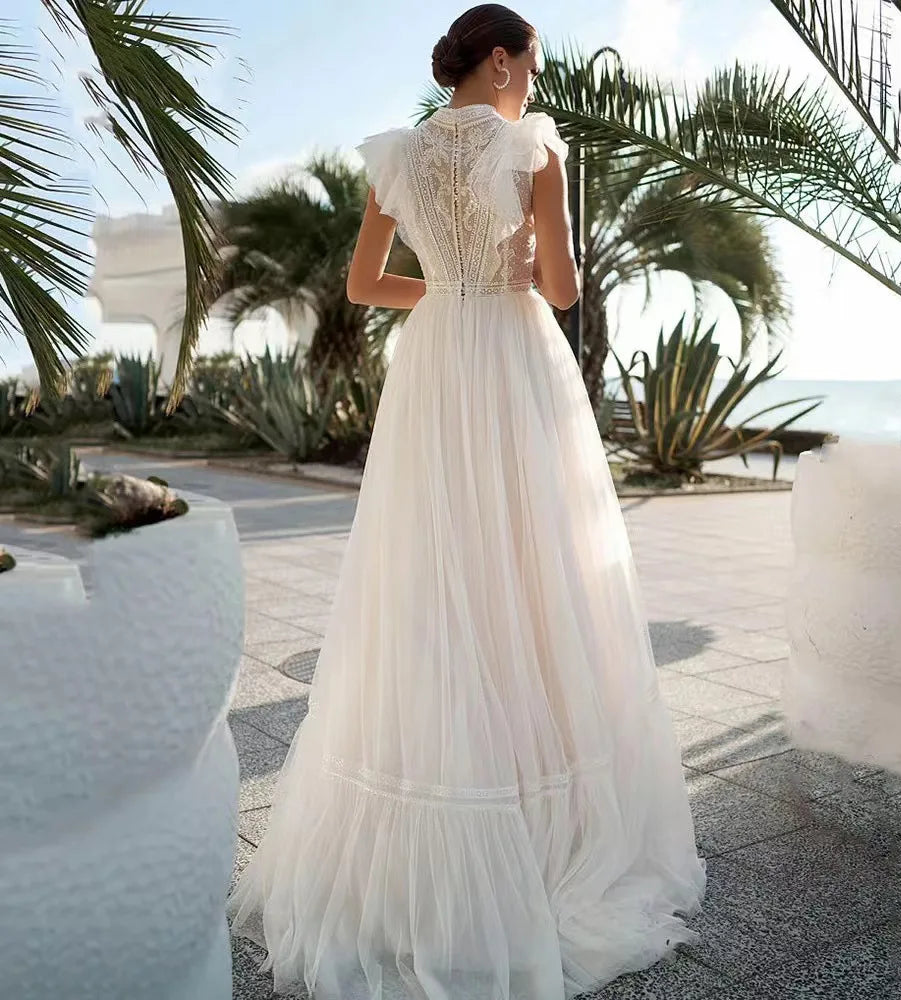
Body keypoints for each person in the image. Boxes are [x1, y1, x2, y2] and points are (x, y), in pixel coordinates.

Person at [226, 5, 706, 997]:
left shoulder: (397, 154)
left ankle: (431, 806)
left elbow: (368, 282)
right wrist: (513, 273)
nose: (532, 82)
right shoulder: (531, 146)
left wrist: (450, 285)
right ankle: (542, 813)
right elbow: (565, 291)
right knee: (536, 563)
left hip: (437, 363)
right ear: (499, 60)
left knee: (438, 566)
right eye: (529, 63)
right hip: (508, 360)